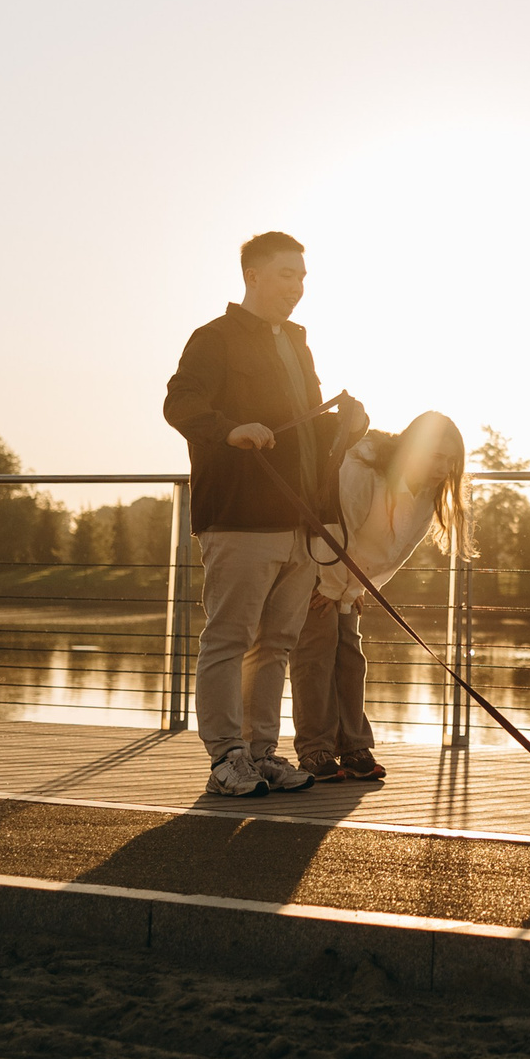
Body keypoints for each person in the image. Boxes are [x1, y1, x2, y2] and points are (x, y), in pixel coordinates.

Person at [163, 230, 367, 798]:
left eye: (302, 277)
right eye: (286, 275)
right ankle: (226, 756)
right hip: (238, 517)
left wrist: (346, 424)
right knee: (229, 638)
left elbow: (311, 425)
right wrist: (230, 430)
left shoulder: (297, 344)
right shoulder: (214, 338)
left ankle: (260, 753)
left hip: (299, 522)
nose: (297, 287)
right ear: (253, 275)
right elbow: (180, 403)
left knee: (276, 644)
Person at [290, 412, 470, 782]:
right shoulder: (362, 470)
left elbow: (394, 551)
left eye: (450, 460)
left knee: (350, 659)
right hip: (316, 564)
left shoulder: (427, 494)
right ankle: (314, 749)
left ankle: (353, 745)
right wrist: (330, 586)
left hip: (346, 579)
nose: (443, 467)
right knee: (315, 655)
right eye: (436, 456)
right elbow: (335, 528)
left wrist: (353, 589)